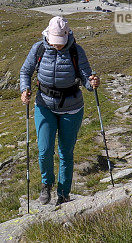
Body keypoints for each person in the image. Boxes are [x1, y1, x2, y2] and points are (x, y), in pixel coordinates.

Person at [20, 16, 100, 205]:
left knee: (66, 152)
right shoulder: (38, 49)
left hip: (72, 108)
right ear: (47, 36)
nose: (57, 46)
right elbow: (25, 71)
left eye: (60, 43)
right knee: (45, 150)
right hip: (44, 105)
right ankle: (46, 185)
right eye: (54, 43)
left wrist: (92, 82)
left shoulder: (76, 51)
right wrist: (25, 90)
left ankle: (63, 194)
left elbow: (87, 78)